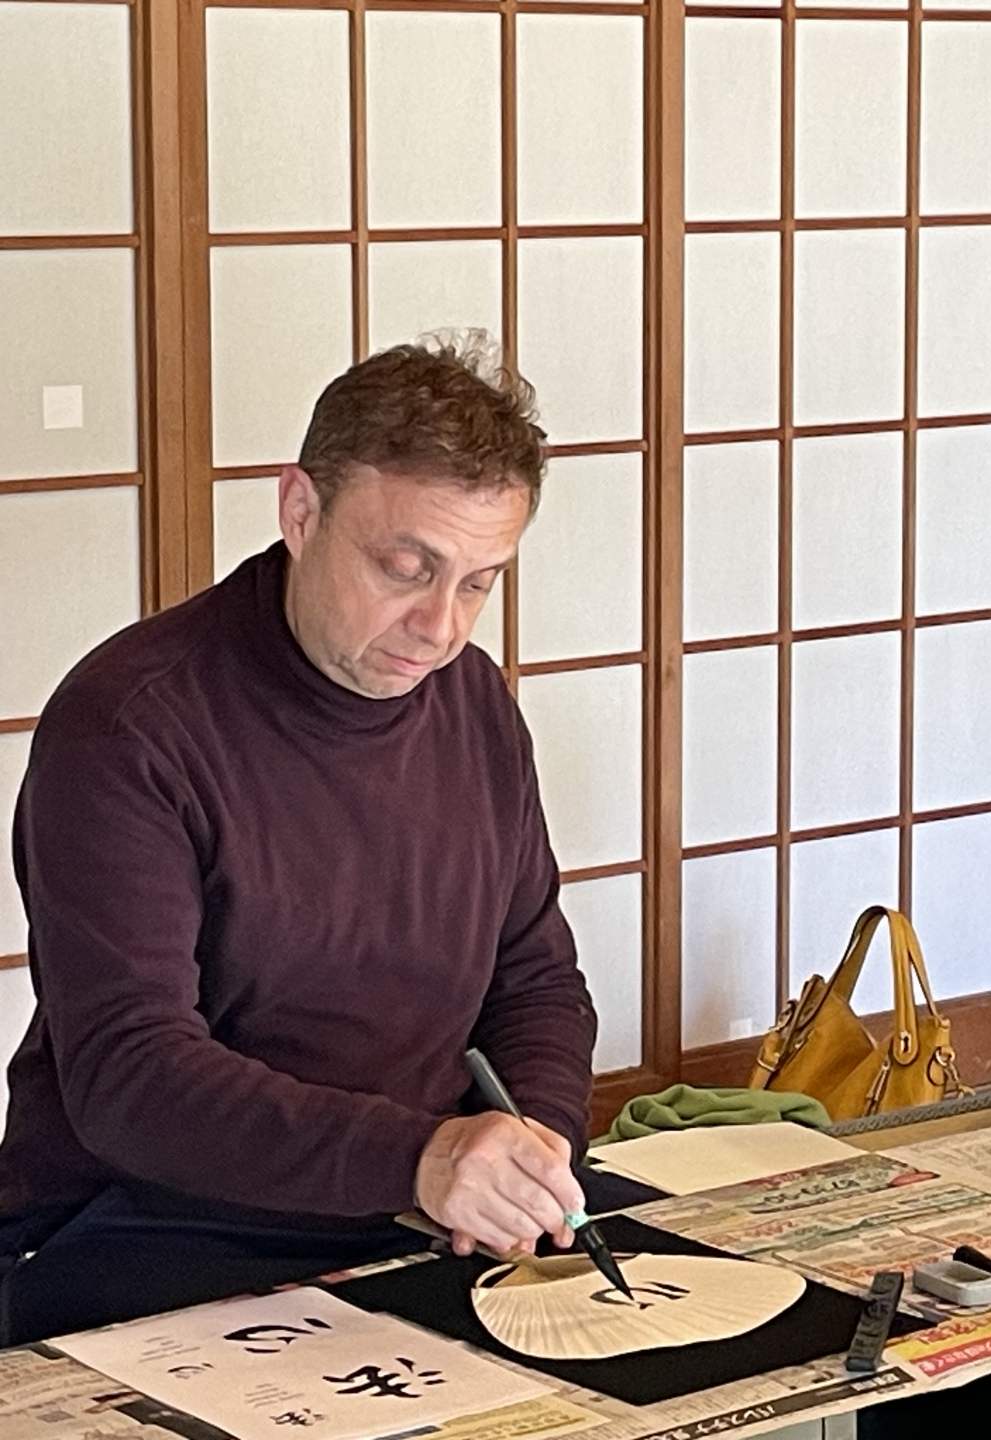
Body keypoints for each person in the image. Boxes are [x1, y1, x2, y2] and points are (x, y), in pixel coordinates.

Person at [0, 339, 597, 1345]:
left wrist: (530, 1145)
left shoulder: (474, 708)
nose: (440, 626)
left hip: (411, 1218)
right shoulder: (132, 725)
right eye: (405, 568)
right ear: (299, 510)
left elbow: (535, 980)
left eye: (479, 582)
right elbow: (130, 1073)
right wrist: (422, 1157)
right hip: (154, 1229)